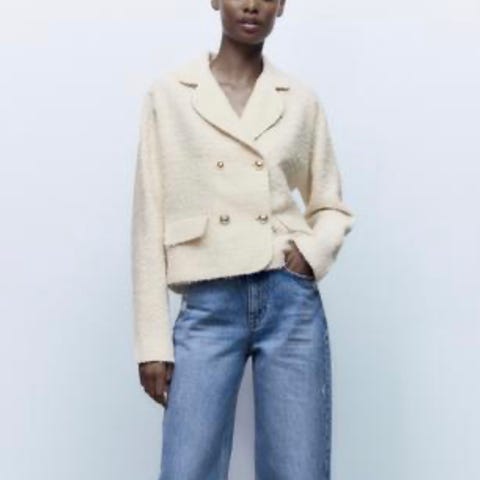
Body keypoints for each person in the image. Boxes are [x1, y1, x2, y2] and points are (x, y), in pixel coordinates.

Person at [131, 1, 355, 478]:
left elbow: (330, 205)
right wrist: (152, 342)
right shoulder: (170, 95)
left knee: (298, 470)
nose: (251, 5)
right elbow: (148, 217)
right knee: (187, 468)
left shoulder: (300, 100)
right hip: (208, 302)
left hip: (289, 302)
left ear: (281, 6)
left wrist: (309, 254)